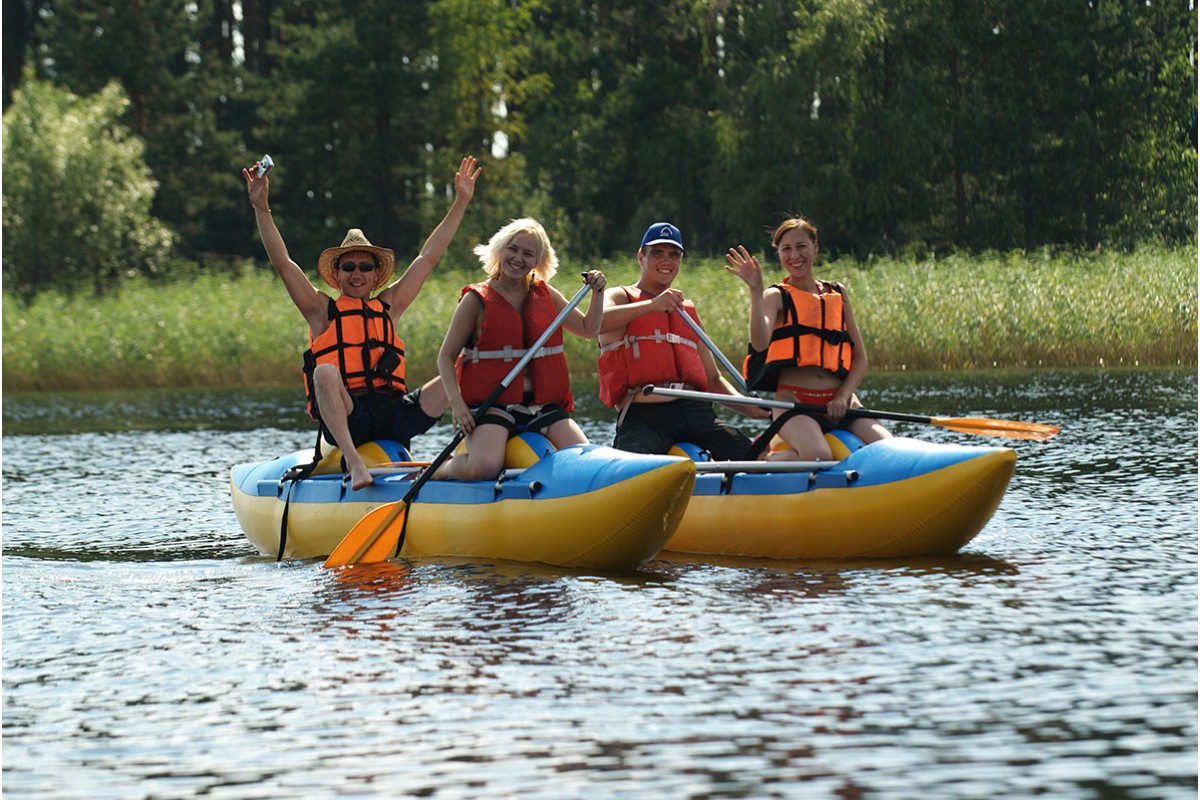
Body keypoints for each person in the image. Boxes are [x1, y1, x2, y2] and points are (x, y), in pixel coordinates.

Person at [243, 155, 482, 489]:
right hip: (351, 416)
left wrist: (460, 201)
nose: (357, 273)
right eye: (349, 267)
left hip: (394, 414)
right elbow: (282, 263)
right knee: (324, 371)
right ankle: (356, 464)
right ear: (337, 276)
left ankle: (477, 455)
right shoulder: (320, 310)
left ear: (376, 277)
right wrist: (261, 207)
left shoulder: (390, 306)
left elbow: (429, 257)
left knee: (464, 368)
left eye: (365, 267)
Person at [433, 218, 607, 481]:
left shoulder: (546, 294)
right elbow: (445, 357)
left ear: (538, 261)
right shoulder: (475, 300)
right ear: (500, 250)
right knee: (484, 468)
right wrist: (457, 406)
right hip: (494, 405)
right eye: (513, 249)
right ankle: (441, 471)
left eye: (528, 253)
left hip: (543, 406)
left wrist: (598, 293)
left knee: (588, 460)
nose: (518, 258)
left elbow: (588, 329)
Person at [725, 216, 890, 461]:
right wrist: (755, 291)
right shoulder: (774, 296)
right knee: (818, 455)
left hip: (842, 401)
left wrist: (843, 397)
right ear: (779, 254)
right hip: (794, 403)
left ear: (815, 247)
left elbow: (860, 359)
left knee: (889, 449)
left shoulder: (837, 292)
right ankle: (764, 458)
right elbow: (760, 344)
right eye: (786, 249)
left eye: (801, 246)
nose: (795, 255)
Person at [598, 222, 768, 460]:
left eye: (674, 255)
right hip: (646, 416)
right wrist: (653, 305)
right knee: (631, 465)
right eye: (657, 253)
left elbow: (713, 380)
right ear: (641, 257)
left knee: (756, 458)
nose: (666, 261)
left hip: (696, 413)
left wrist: (747, 407)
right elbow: (597, 323)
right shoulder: (620, 297)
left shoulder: (685, 311)